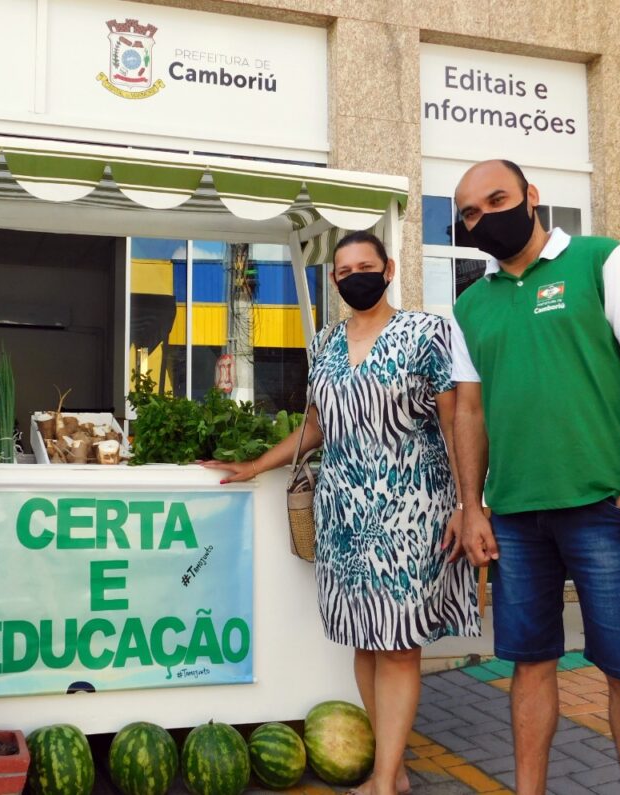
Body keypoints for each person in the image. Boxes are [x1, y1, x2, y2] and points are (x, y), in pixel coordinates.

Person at [205, 230, 480, 795]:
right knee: (363, 638)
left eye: (365, 265)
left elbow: (457, 423)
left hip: (411, 507)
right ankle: (395, 770)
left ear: (388, 268)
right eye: (343, 269)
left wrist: (466, 504)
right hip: (344, 512)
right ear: (333, 281)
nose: (354, 275)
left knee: (399, 643)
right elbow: (317, 426)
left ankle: (382, 782)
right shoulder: (327, 340)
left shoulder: (428, 332)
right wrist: (255, 465)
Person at [450, 159, 620, 795]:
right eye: (470, 212)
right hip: (516, 516)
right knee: (529, 664)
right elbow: (469, 409)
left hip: (605, 505)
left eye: (497, 199)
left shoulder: (602, 262)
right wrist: (473, 506)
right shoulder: (471, 305)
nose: (484, 216)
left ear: (532, 197)